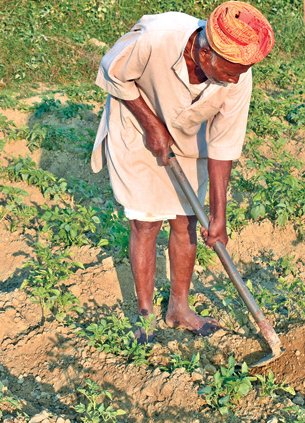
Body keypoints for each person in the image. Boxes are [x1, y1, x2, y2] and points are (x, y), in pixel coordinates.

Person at [91, 1, 274, 342]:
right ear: (206, 54)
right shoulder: (158, 37)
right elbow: (113, 70)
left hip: (190, 139)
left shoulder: (239, 75)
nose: (237, 79)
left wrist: (218, 216)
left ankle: (179, 309)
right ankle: (145, 315)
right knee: (146, 222)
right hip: (137, 128)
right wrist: (150, 124)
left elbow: (223, 145)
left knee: (187, 220)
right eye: (231, 71)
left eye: (242, 71)